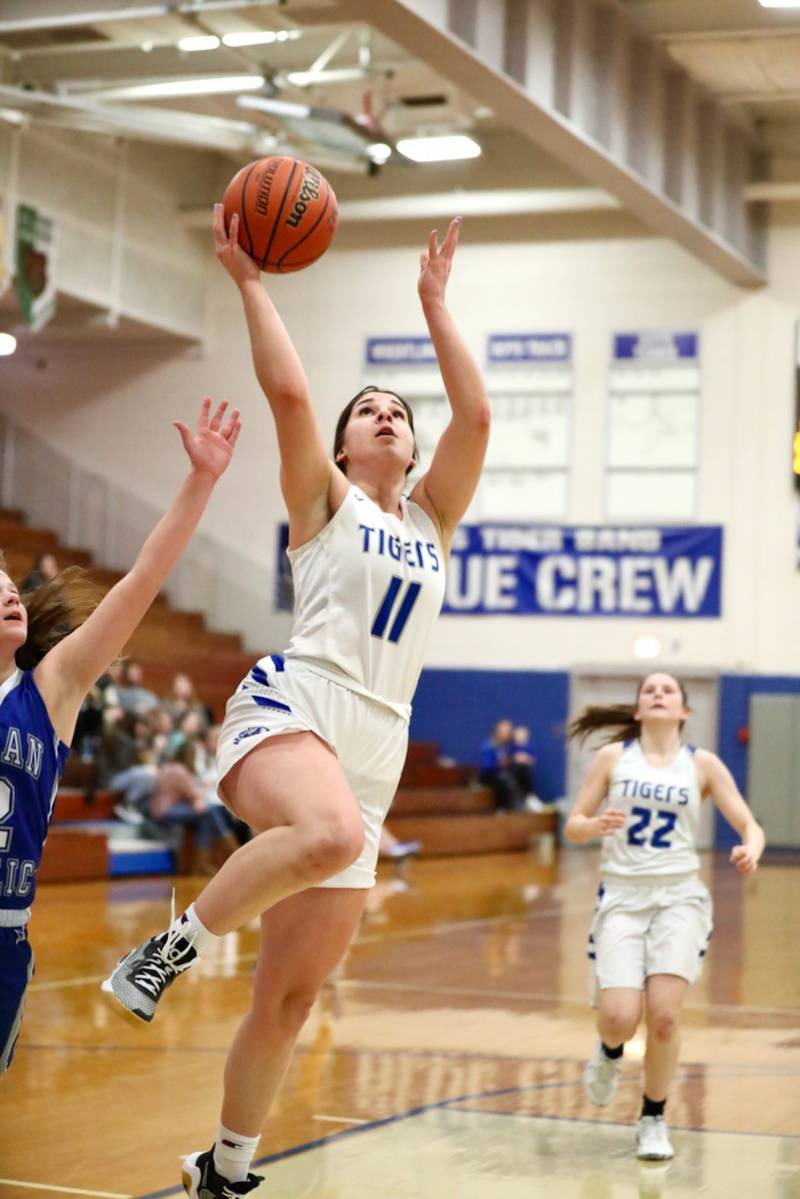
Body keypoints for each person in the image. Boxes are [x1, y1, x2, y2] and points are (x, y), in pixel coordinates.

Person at [101, 208, 490, 1199]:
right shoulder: (323, 502)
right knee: (322, 830)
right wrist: (249, 281)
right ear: (347, 445)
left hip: (380, 741)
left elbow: (475, 417)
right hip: (296, 703)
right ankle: (167, 947)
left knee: (289, 994)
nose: (387, 417)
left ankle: (224, 1168)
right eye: (369, 410)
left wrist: (434, 304)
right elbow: (286, 390)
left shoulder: (433, 517)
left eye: (397, 412)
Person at [0, 397, 240, 1074]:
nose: (11, 593)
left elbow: (140, 582)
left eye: (10, 585)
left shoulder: (50, 688)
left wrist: (201, 481)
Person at [564, 672, 765, 1161]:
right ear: (638, 711)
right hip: (623, 898)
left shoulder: (704, 765)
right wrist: (593, 825)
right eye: (648, 690)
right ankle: (610, 1050)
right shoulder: (614, 759)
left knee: (664, 1017)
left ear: (684, 712)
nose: (657, 694)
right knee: (617, 1017)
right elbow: (573, 825)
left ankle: (653, 1118)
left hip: (678, 897)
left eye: (667, 690)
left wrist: (750, 848)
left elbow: (748, 822)